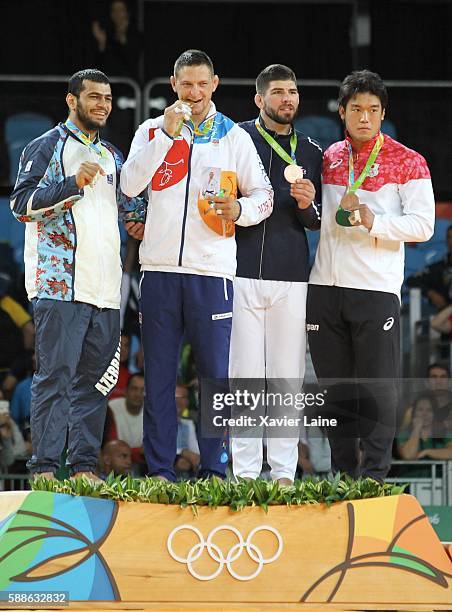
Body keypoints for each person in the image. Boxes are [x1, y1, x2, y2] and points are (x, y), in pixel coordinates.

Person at [120, 49, 273, 481]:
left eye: (202, 84)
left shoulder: (234, 138)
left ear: (215, 84)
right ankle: (160, 473)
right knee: (159, 380)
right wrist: (166, 138)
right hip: (161, 271)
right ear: (173, 85)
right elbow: (130, 184)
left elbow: (264, 196)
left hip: (211, 274)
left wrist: (239, 208)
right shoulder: (151, 130)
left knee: (214, 381)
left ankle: (213, 471)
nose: (194, 92)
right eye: (186, 84)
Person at [10, 68, 145, 483]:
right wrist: (71, 184)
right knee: (55, 378)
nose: (102, 104)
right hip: (59, 285)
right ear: (72, 101)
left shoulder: (114, 157)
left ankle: (85, 466)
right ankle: (46, 467)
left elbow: (131, 209)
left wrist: (139, 221)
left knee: (95, 384)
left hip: (105, 290)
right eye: (94, 97)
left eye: (107, 98)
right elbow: (21, 204)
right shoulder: (46, 146)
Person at [306, 69, 435, 481]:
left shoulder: (408, 161)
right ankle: (343, 476)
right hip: (324, 288)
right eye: (357, 109)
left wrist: (373, 220)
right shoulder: (327, 158)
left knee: (378, 390)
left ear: (382, 114)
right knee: (335, 391)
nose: (365, 117)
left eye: (374, 110)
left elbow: (423, 226)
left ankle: (375, 478)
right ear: (342, 111)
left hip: (375, 290)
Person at [229, 64, 322, 485]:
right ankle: (246, 472)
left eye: (293, 91)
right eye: (279, 91)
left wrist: (306, 203)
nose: (288, 98)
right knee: (244, 376)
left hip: (290, 276)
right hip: (240, 270)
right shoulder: (237, 139)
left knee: (287, 376)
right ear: (259, 99)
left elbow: (316, 221)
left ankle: (284, 472)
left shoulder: (313, 151)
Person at [105, 372, 145, 473]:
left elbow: (150, 451)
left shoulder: (151, 414)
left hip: (142, 465)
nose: (138, 394)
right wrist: (138, 451)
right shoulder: (112, 408)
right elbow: (112, 449)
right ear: (126, 391)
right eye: (134, 389)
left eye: (143, 390)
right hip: (113, 466)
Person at [407, 224, 452, 310]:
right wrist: (431, 294)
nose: (451, 241)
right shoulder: (438, 268)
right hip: (444, 315)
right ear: (446, 240)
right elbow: (412, 280)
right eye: (449, 237)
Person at [175, 382, 200, 478]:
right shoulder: (155, 422)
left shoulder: (188, 424)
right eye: (175, 396)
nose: (179, 401)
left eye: (183, 397)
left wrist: (188, 457)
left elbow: (195, 453)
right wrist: (181, 454)